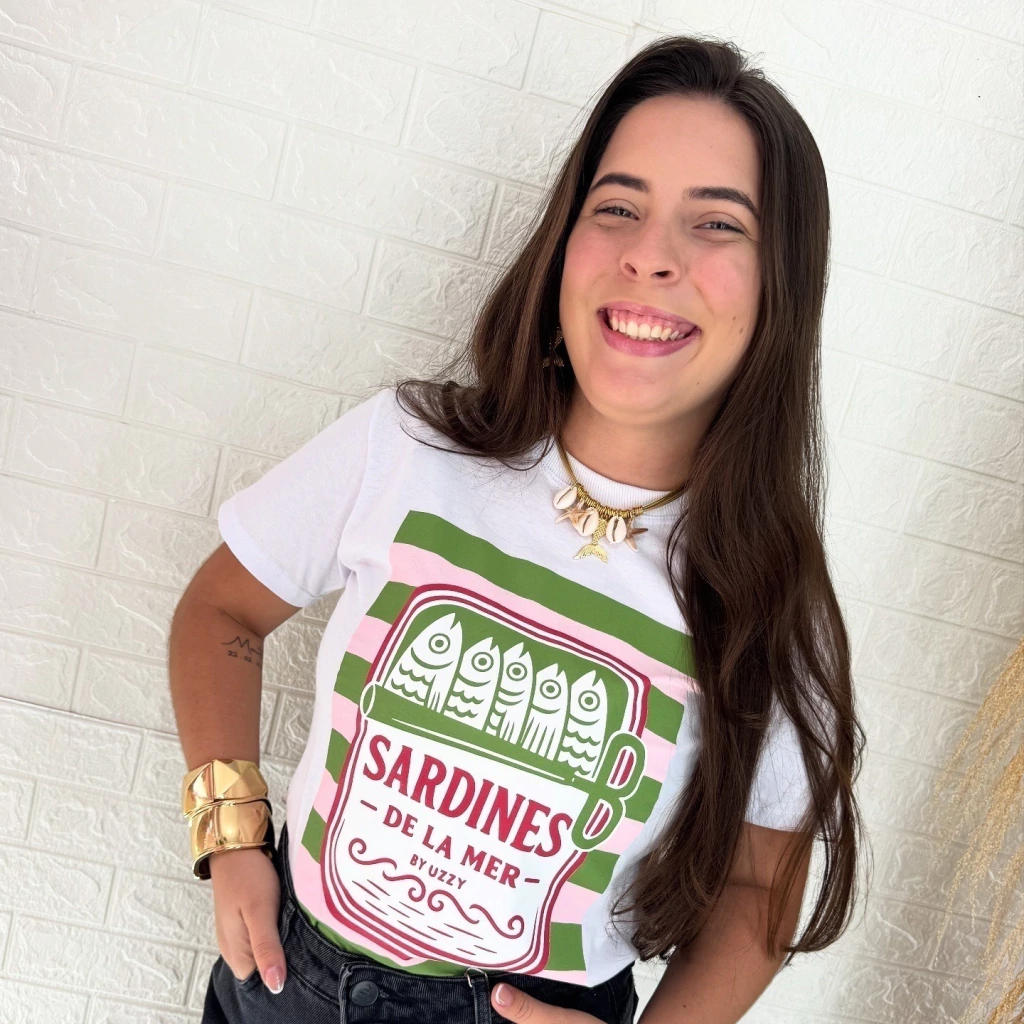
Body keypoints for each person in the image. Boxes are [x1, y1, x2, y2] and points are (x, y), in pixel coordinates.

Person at [169, 34, 866, 1024]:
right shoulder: (406, 446)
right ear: (563, 240)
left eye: (716, 223)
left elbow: (762, 882)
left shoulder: (772, 599)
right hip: (287, 986)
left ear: (781, 284)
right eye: (616, 207)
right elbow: (222, 610)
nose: (650, 255)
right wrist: (232, 832)